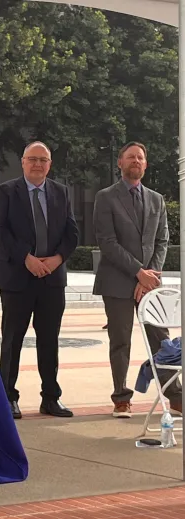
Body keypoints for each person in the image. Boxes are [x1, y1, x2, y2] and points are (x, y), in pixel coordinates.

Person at [0, 142, 79, 420]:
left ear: (50, 164)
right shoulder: (5, 192)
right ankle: (8, 397)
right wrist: (26, 258)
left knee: (49, 340)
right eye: (33, 159)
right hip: (17, 276)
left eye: (43, 160)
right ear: (23, 162)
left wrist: (57, 259)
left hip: (52, 278)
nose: (38, 164)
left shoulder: (61, 192)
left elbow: (71, 232)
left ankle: (51, 398)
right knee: (12, 339)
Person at [93, 141, 182, 418]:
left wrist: (149, 276)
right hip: (117, 282)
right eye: (130, 157)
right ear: (120, 163)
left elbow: (162, 240)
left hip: (151, 286)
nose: (135, 161)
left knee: (163, 340)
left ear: (145, 164)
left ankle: (176, 397)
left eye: (140, 157)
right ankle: (121, 398)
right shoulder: (106, 197)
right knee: (120, 341)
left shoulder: (156, 199)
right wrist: (137, 272)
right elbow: (107, 242)